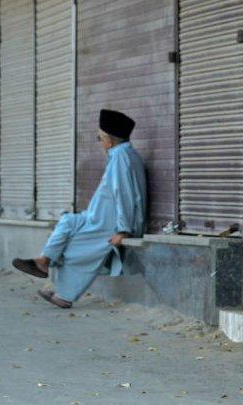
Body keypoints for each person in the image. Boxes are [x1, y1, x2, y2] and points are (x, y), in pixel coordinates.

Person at [12, 109, 147, 308]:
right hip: (96, 216)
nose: (100, 142)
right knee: (66, 222)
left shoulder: (122, 158)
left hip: (109, 222)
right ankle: (43, 261)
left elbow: (124, 194)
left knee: (75, 251)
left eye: (99, 138)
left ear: (109, 140)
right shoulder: (120, 154)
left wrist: (123, 229)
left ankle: (64, 295)